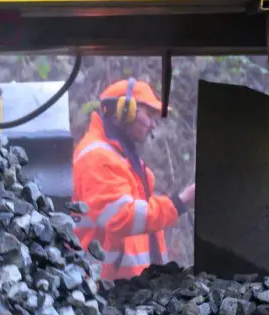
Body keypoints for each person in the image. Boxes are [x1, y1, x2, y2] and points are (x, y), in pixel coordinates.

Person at [72, 77, 195, 282]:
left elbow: (139, 210)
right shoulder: (98, 157)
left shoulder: (121, 155)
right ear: (125, 110)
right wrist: (179, 203)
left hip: (128, 287)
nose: (153, 124)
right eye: (149, 115)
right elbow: (122, 217)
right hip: (106, 289)